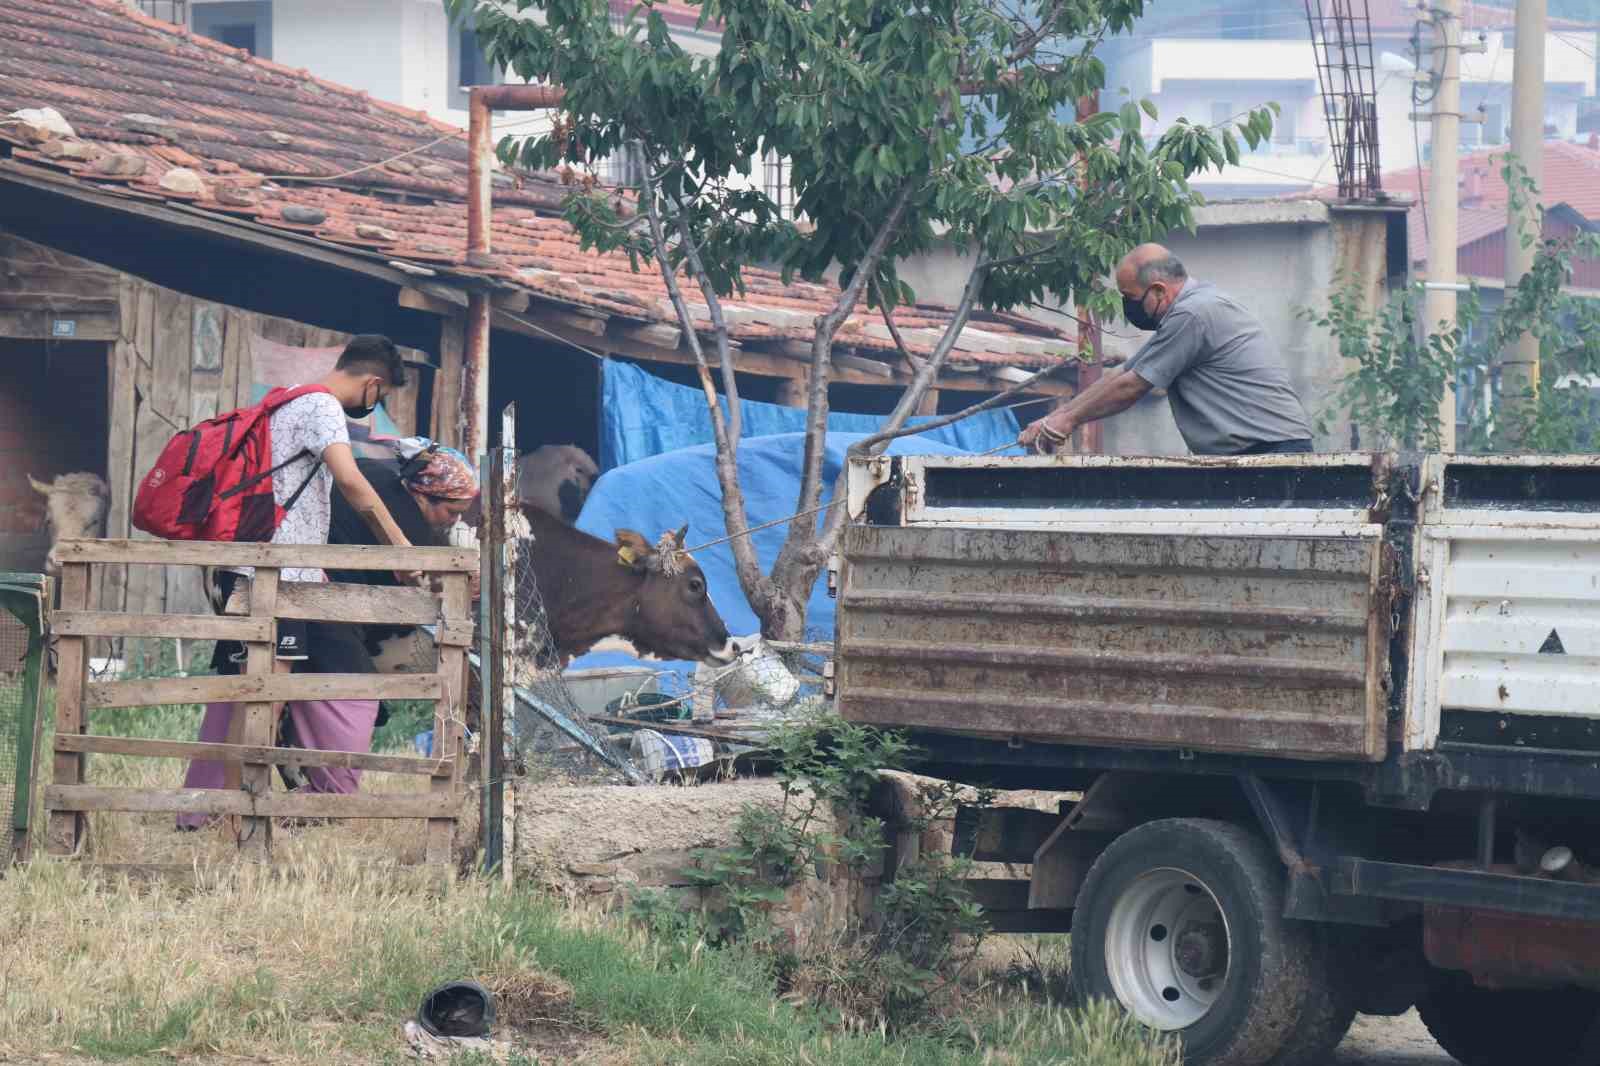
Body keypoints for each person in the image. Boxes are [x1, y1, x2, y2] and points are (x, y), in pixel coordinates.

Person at [178, 441, 479, 829]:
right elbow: (412, 600)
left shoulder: (375, 474)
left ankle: (201, 812)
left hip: (264, 587)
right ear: (425, 493)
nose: (450, 522)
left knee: (240, 694)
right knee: (352, 695)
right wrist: (455, 588)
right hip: (315, 604)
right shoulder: (409, 519)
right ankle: (319, 809)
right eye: (450, 511)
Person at [1019, 244, 1314, 456]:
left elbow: (1132, 387)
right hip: (1253, 453)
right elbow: (1122, 374)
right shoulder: (1191, 310)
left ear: (1159, 290)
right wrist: (1056, 418)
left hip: (1271, 454)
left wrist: (1067, 420)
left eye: (1130, 298)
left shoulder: (1193, 314)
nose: (1127, 308)